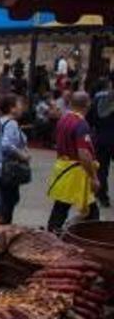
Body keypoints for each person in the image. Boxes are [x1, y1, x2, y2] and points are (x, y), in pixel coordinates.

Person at [47, 92, 100, 231]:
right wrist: (94, 177)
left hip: (63, 168)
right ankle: (89, 237)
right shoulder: (81, 124)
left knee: (62, 206)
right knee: (88, 210)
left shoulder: (63, 119)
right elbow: (84, 153)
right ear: (88, 105)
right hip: (75, 172)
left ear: (71, 103)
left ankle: (52, 233)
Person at [0, 94, 30, 224]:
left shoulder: (1, 121)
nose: (22, 108)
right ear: (12, 108)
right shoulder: (11, 124)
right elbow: (6, 144)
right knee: (7, 200)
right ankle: (1, 228)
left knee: (5, 198)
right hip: (9, 168)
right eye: (19, 105)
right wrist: (22, 155)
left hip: (0, 166)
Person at [87, 74, 113, 207]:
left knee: (102, 168)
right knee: (102, 168)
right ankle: (102, 194)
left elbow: (90, 118)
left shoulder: (99, 97)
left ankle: (102, 195)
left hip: (101, 137)